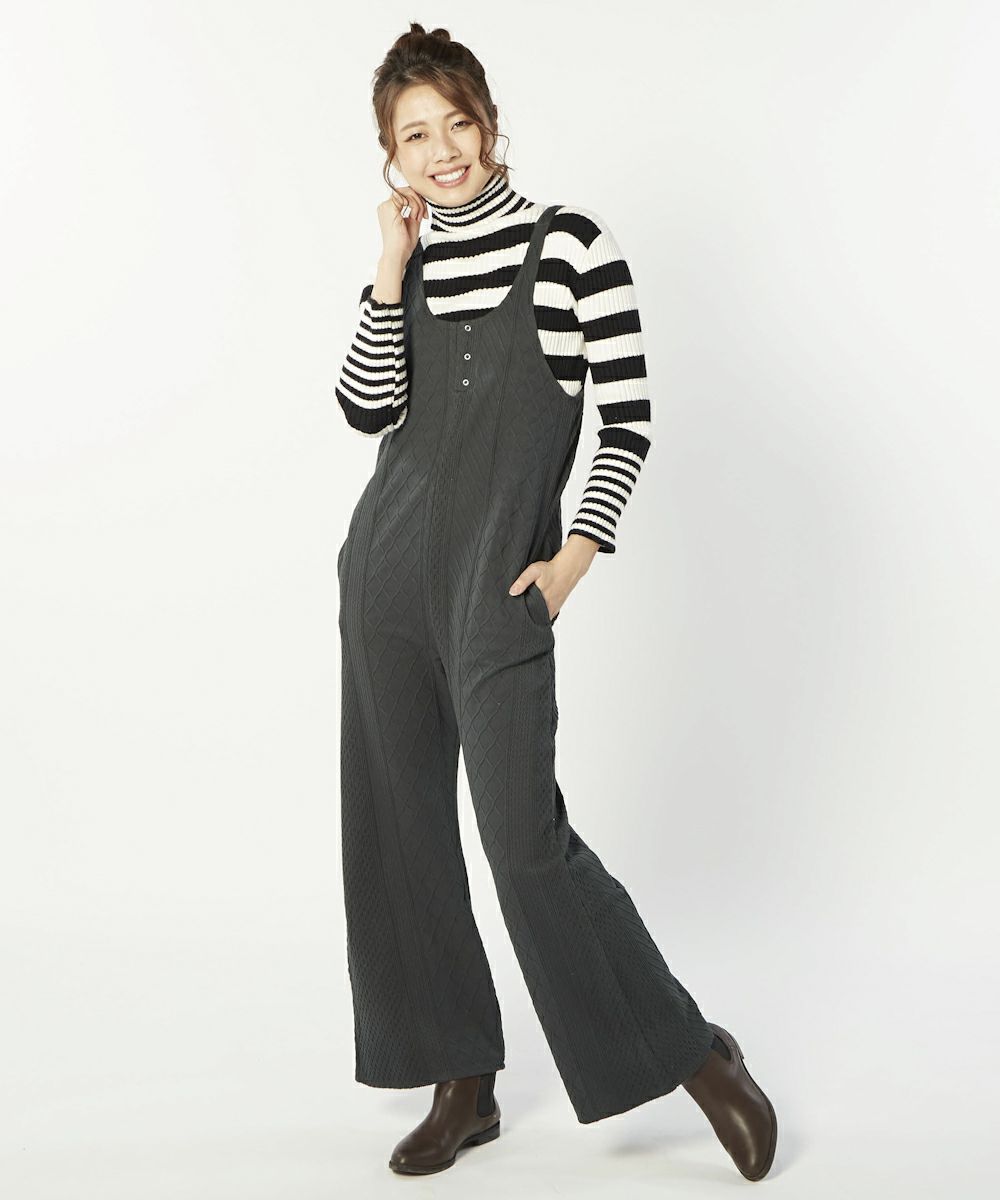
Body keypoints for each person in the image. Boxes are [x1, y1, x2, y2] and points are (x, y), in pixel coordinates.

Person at [334, 21, 777, 1181]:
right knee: (399, 830)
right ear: (391, 156)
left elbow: (625, 419)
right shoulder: (409, 263)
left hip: (501, 585)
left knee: (522, 840)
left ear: (490, 124)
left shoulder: (570, 245)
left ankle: (693, 1053)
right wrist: (388, 265)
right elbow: (364, 408)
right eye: (414, 137)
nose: (442, 152)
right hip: (385, 581)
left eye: (457, 124)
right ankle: (460, 1080)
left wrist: (575, 557)